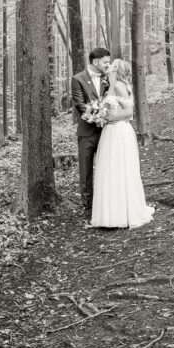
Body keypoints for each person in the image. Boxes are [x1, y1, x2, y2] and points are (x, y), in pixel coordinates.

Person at [90, 59, 153, 229]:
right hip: (114, 131)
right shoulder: (117, 85)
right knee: (113, 169)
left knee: (118, 168)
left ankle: (120, 214)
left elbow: (128, 112)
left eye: (112, 67)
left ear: (117, 71)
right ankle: (113, 213)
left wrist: (106, 117)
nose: (109, 68)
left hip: (117, 130)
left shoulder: (118, 86)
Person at [70, 47, 111, 221]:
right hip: (86, 132)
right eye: (105, 62)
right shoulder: (78, 79)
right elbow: (80, 104)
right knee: (86, 171)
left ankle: (106, 206)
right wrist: (98, 116)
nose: (108, 65)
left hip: (106, 132)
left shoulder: (108, 78)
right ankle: (88, 208)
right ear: (96, 61)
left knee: (106, 168)